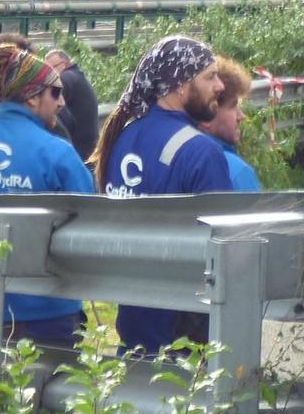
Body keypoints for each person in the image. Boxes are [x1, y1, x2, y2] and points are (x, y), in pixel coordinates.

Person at [94, 35, 229, 354]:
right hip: (184, 342)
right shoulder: (201, 152)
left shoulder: (122, 139)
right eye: (210, 76)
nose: (220, 86)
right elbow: (226, 252)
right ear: (180, 85)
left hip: (133, 329)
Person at [0, 41, 98, 349]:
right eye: (55, 92)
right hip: (44, 313)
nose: (63, 102)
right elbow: (94, 224)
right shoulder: (58, 155)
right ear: (30, 97)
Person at [200, 58, 262, 191]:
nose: (241, 116)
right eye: (233, 106)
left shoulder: (178, 160)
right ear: (207, 117)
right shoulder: (236, 171)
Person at [43, 47, 100, 163]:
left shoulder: (66, 78)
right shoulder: (77, 77)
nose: (49, 73)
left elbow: (47, 102)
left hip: (78, 151)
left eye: (51, 68)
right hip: (88, 149)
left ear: (65, 64)